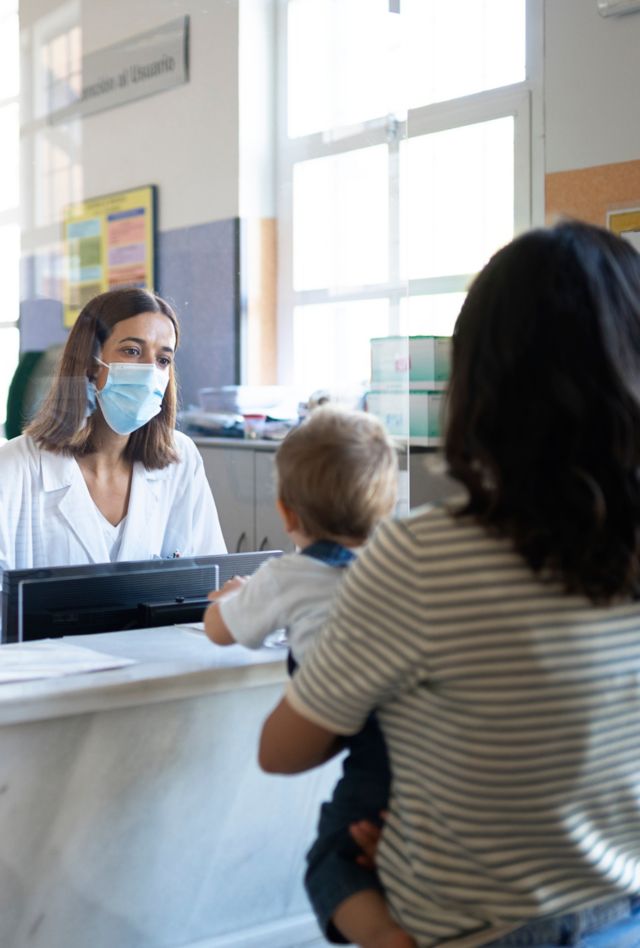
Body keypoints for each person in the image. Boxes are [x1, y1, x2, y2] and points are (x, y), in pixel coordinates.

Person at [258, 220, 640, 948]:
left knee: (334, 860)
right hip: (624, 907)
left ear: (475, 385)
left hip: (487, 928)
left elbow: (285, 751)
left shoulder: (425, 555)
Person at [203, 406, 404, 947]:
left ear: (285, 511)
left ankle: (385, 936)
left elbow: (222, 632)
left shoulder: (286, 575)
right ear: (386, 503)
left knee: (333, 858)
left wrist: (226, 602)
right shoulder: (398, 566)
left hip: (366, 749)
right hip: (420, 740)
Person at [0, 287, 226, 587]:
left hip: (157, 636)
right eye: (132, 351)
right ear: (91, 365)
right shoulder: (17, 465)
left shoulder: (180, 457)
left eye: (162, 360)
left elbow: (211, 577)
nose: (150, 371)